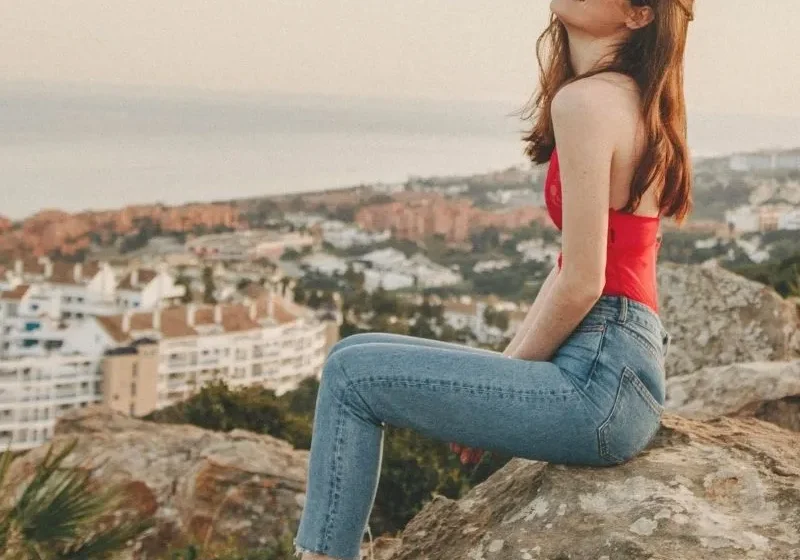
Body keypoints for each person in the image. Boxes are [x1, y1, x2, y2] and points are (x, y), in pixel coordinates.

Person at [293, 0, 694, 558]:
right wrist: (494, 380)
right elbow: (567, 273)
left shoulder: (588, 102)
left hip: (598, 380)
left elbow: (583, 283)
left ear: (638, 15)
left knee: (350, 376)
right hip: (620, 368)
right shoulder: (631, 98)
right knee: (355, 352)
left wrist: (499, 381)